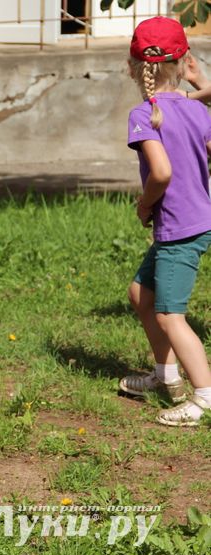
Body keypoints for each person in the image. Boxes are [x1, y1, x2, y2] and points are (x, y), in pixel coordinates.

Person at [118, 16, 211, 427]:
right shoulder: (197, 109)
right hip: (194, 222)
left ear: (132, 66)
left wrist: (144, 205)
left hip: (179, 230)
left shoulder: (143, 113)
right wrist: (200, 83)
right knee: (141, 294)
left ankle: (204, 397)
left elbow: (161, 172)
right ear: (184, 63)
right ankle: (166, 377)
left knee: (172, 315)